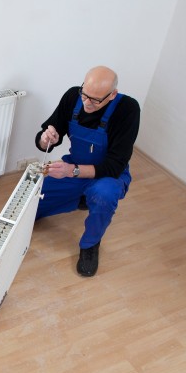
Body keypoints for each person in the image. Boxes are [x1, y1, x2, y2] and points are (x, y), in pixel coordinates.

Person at [35, 66, 140, 277]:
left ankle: (90, 244)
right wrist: (46, 140)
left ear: (112, 95)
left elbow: (114, 165)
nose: (87, 103)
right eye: (85, 95)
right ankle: (82, 198)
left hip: (108, 176)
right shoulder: (73, 96)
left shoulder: (127, 109)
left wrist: (71, 171)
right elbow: (46, 135)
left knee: (103, 195)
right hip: (74, 165)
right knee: (33, 202)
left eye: (95, 100)